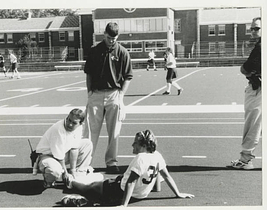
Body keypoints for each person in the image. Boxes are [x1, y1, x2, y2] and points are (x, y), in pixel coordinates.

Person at [65, 130, 194, 207]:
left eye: (135, 143)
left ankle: (71, 182)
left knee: (90, 187)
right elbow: (167, 176)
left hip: (118, 190)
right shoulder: (157, 155)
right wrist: (178, 194)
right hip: (141, 194)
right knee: (103, 181)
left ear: (143, 145)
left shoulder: (141, 158)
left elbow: (130, 182)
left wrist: (124, 205)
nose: (133, 144)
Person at [83, 22, 133, 174]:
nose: (112, 40)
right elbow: (89, 73)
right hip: (96, 94)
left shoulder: (123, 52)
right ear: (104, 34)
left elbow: (128, 76)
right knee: (90, 131)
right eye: (109, 37)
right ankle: (85, 163)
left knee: (114, 131)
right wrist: (90, 92)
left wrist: (121, 95)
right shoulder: (94, 51)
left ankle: (111, 162)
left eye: (114, 38)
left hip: (114, 94)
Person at [34, 108, 95, 188]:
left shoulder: (79, 128)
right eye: (69, 120)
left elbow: (74, 149)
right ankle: (48, 180)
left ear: (80, 124)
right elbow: (59, 156)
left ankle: (79, 175)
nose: (70, 124)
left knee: (87, 144)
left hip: (62, 153)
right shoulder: (58, 129)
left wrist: (73, 171)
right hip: (46, 156)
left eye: (74, 123)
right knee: (55, 171)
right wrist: (65, 173)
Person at [230, 17, 261, 170]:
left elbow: (245, 69)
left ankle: (246, 159)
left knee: (253, 123)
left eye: (257, 28)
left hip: (259, 89)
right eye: (252, 28)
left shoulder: (261, 47)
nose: (253, 31)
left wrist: (251, 74)